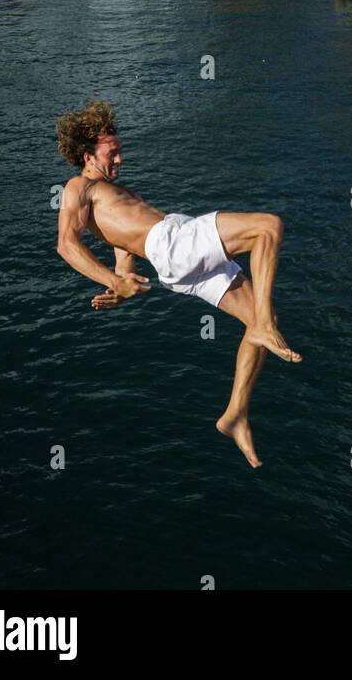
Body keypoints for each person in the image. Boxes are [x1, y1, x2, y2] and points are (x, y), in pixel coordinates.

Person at [55, 101, 300, 469]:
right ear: (87, 155)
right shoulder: (79, 186)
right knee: (268, 227)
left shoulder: (111, 191)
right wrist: (110, 280)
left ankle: (235, 414)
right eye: (113, 152)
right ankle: (264, 327)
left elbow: (124, 249)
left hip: (174, 262)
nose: (120, 159)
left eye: (121, 151)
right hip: (172, 243)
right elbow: (66, 244)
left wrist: (121, 281)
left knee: (261, 319)